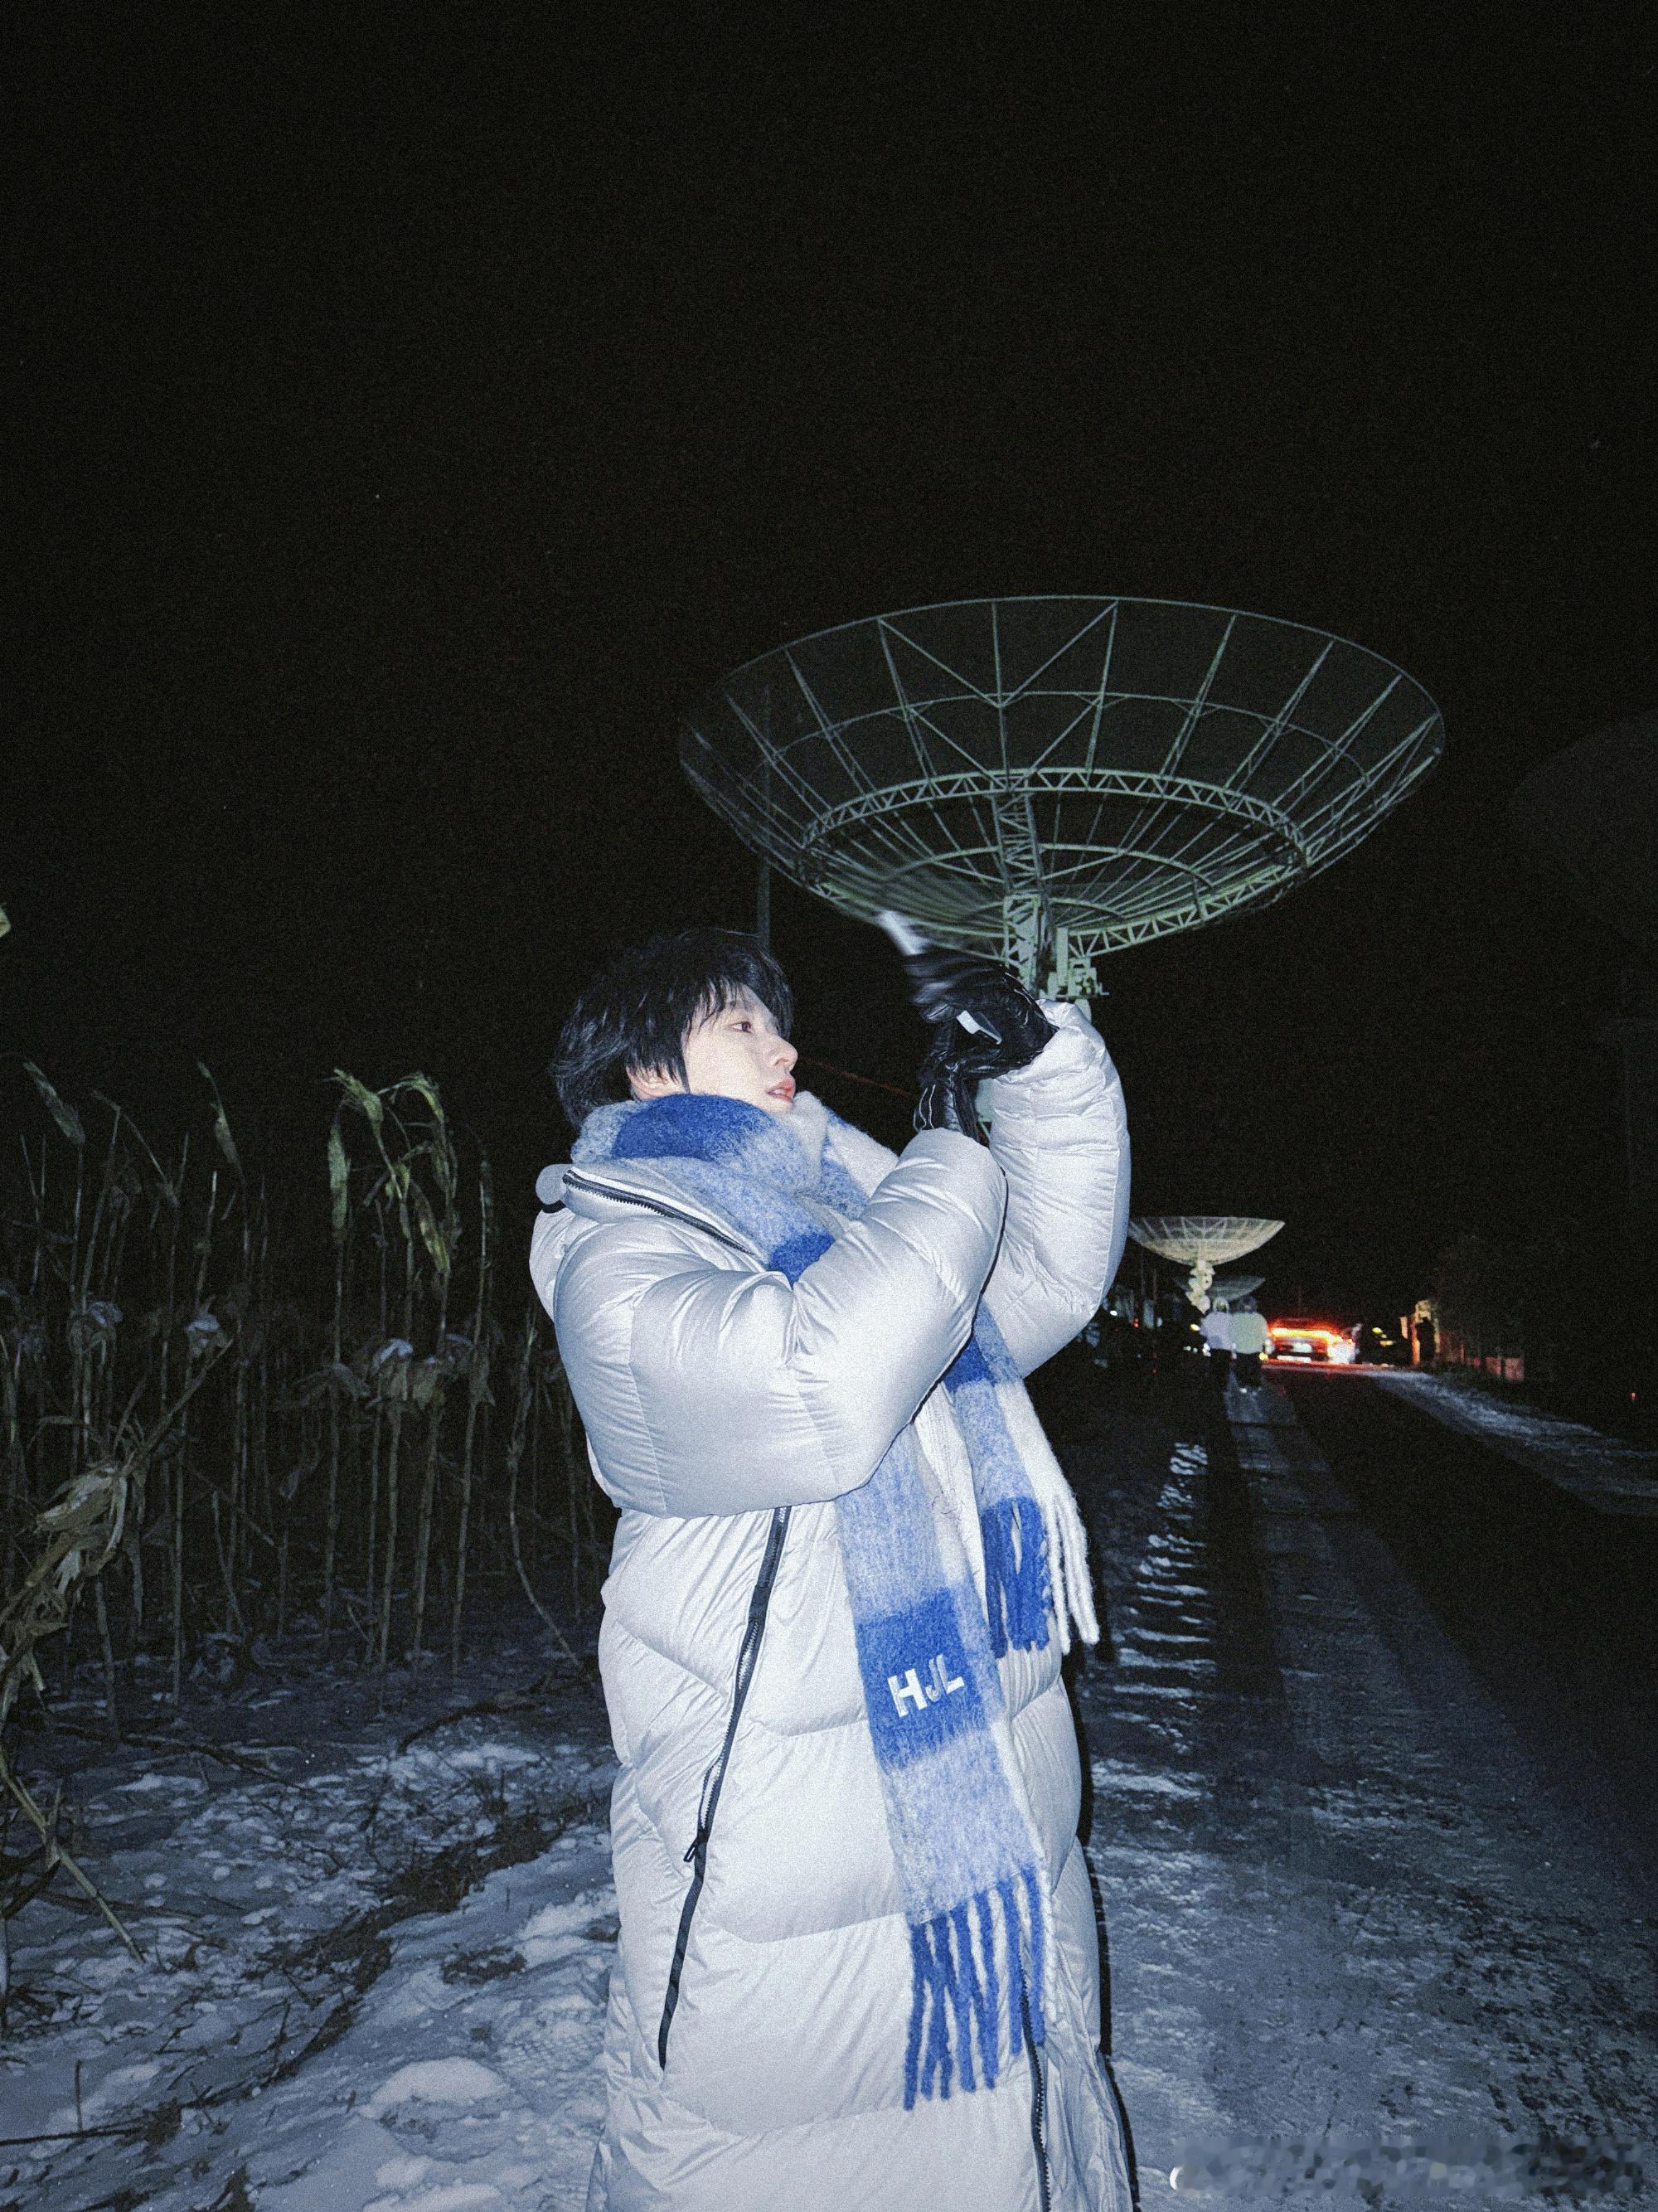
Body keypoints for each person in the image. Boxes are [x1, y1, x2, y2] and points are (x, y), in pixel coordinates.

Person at [531, 925, 1133, 2212]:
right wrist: (946, 1159)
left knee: (998, 2124)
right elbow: (819, 1386)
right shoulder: (618, 1255)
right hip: (786, 1830)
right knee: (789, 2150)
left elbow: (1040, 1282)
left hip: (973, 1767)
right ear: (642, 1070)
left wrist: (1033, 1082)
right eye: (741, 1022)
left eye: (776, 1019)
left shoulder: (851, 1210)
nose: (785, 1043)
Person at [1228, 1296, 1271, 1390]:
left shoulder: (1258, 1318)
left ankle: (1254, 1385)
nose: (1247, 1307)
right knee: (1244, 1369)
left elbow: (1264, 1334)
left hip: (1253, 1349)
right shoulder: (1237, 1317)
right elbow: (1232, 1333)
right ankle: (1245, 1385)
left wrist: (1266, 1347)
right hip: (1242, 1348)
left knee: (1253, 1368)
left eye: (1249, 1305)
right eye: (1245, 1305)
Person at [1199, 1300, 1233, 1396]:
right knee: (1224, 1369)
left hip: (1214, 1348)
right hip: (1226, 1348)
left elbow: (1203, 1332)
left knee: (1214, 1368)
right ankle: (1223, 1388)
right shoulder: (1230, 1318)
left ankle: (1214, 1388)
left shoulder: (1209, 1318)